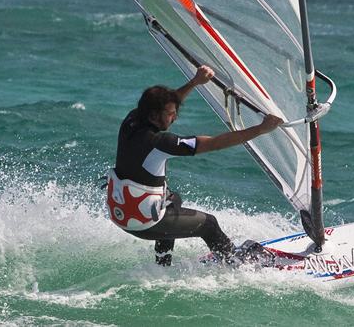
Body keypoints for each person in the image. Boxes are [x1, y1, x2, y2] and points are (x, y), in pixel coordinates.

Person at [107, 65, 283, 266]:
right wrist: (261, 129)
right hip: (145, 224)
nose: (175, 117)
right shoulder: (160, 142)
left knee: (173, 199)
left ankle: (162, 264)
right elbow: (214, 142)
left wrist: (194, 82)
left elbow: (166, 103)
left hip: (121, 214)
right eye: (170, 114)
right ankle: (234, 262)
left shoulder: (132, 119)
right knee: (209, 224)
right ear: (154, 116)